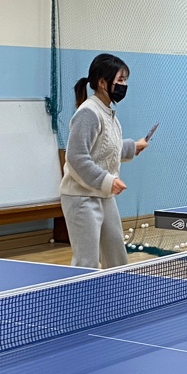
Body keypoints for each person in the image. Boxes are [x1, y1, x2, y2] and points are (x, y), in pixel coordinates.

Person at [61, 53, 148, 269]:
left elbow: (105, 148)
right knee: (86, 262)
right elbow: (76, 157)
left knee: (116, 258)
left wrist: (132, 147)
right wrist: (108, 180)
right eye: (120, 80)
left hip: (104, 196)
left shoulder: (108, 113)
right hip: (81, 198)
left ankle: (117, 291)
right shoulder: (88, 113)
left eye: (125, 80)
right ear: (102, 82)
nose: (124, 85)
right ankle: (81, 292)